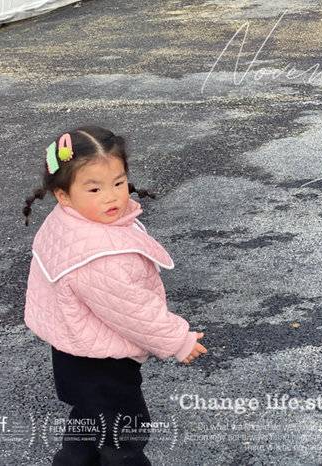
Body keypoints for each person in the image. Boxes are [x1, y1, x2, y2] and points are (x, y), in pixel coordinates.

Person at [21, 126, 208, 465]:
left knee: (89, 422)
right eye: (95, 188)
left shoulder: (68, 222)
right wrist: (178, 340)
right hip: (102, 363)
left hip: (73, 351)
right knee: (124, 436)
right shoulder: (98, 254)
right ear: (64, 195)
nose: (112, 197)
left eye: (119, 183)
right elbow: (131, 309)